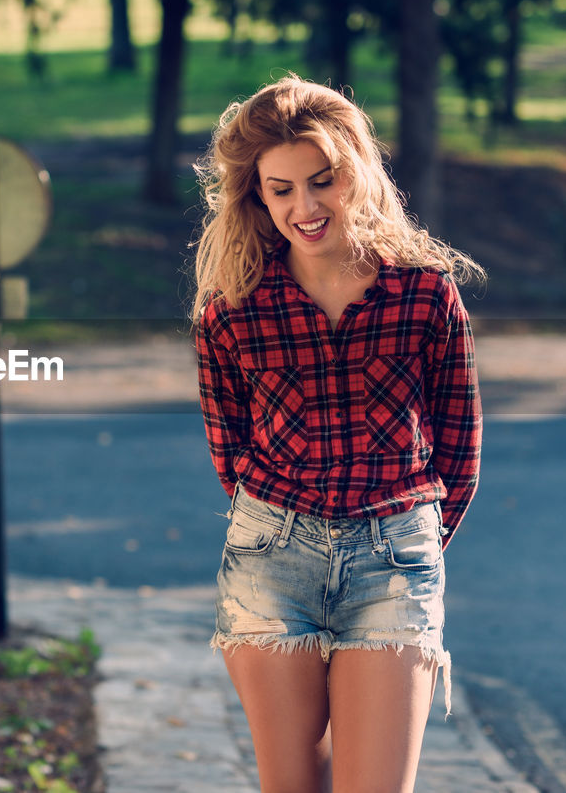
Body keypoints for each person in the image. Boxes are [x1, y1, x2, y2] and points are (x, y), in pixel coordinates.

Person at [192, 75, 484, 793]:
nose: (305, 206)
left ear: (357, 169)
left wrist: (405, 541)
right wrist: (285, 525)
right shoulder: (233, 308)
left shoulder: (424, 292)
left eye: (323, 181)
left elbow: (459, 447)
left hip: (393, 557)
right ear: (256, 194)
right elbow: (231, 450)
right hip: (270, 558)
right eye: (281, 189)